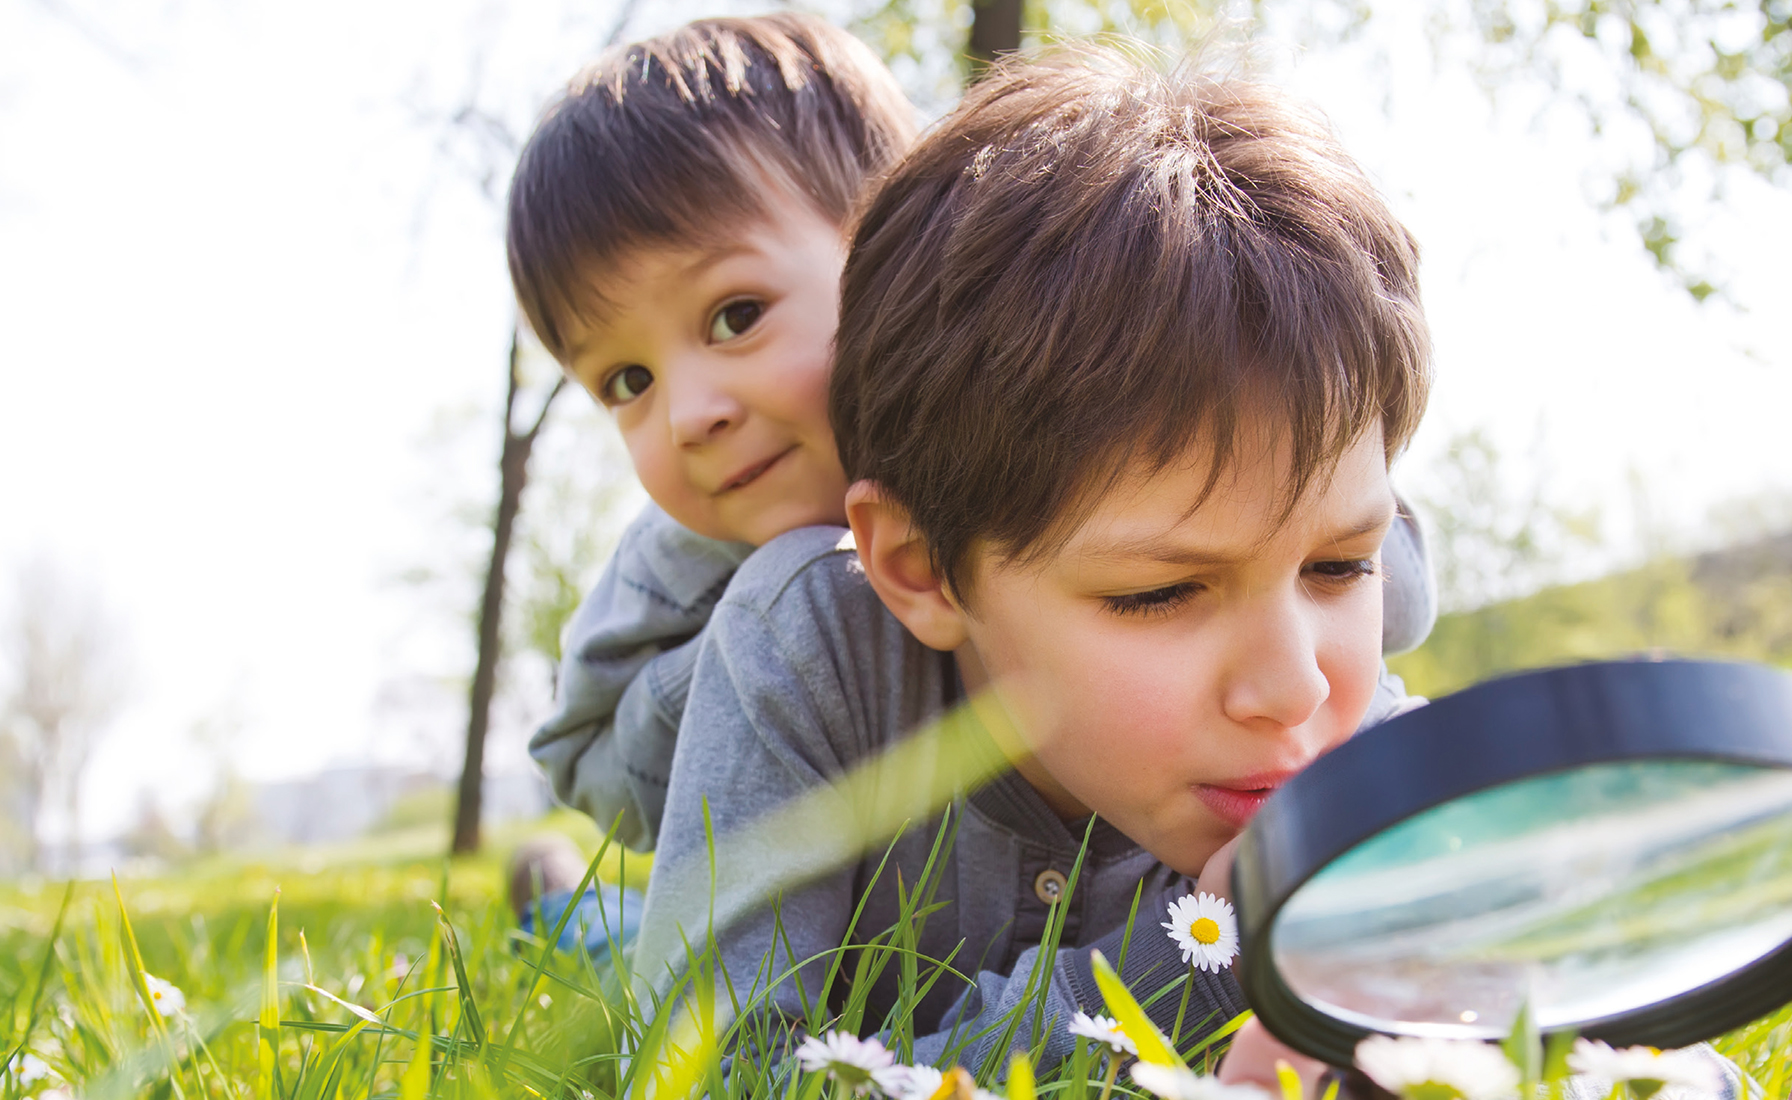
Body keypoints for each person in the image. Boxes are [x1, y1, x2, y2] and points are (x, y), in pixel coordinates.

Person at [632, 50, 1430, 1084]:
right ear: (920, 569)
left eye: (1339, 567)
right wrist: (1209, 956)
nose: (1296, 688)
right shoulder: (807, 643)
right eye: (1161, 591)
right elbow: (704, 1074)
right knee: (599, 935)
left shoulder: (1360, 778)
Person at [505, 15, 1440, 856]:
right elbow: (584, 754)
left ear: (896, 256)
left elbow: (1366, 574)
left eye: (736, 314)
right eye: (626, 381)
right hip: (804, 861)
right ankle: (562, 910)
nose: (689, 412)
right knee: (629, 933)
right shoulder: (686, 563)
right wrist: (775, 676)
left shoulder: (1112, 423)